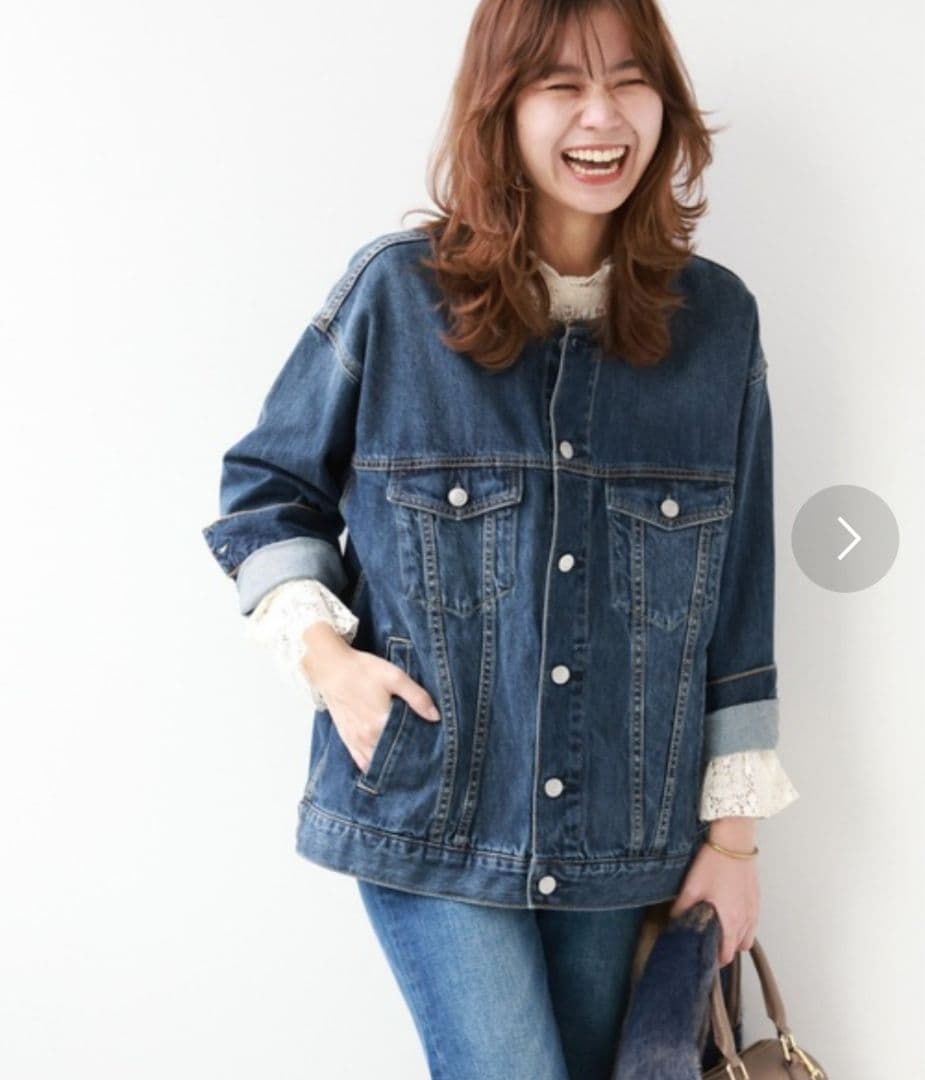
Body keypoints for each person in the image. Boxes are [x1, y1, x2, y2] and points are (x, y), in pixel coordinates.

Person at [201, 1, 799, 1076]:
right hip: (431, 811)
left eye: (629, 80)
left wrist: (734, 842)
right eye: (560, 85)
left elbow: (738, 596)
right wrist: (330, 663)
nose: (602, 117)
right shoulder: (396, 297)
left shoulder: (716, 326)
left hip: (625, 831)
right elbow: (266, 490)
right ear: (501, 108)